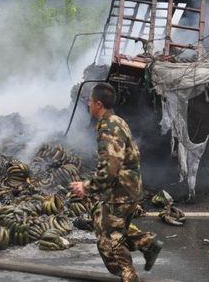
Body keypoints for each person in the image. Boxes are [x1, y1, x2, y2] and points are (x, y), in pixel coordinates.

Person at [71, 83, 162, 282]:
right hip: (126, 190)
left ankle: (129, 277)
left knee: (110, 244)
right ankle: (147, 243)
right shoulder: (117, 121)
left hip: (120, 194)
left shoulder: (108, 128)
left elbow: (110, 168)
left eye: (90, 101)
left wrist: (85, 187)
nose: (88, 104)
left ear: (98, 104)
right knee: (100, 222)